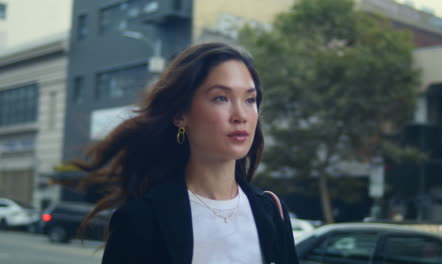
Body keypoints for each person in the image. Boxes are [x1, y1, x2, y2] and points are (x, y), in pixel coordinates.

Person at [74, 42, 299, 264]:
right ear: (181, 114)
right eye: (221, 98)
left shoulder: (271, 212)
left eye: (250, 99)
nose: (240, 115)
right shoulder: (141, 220)